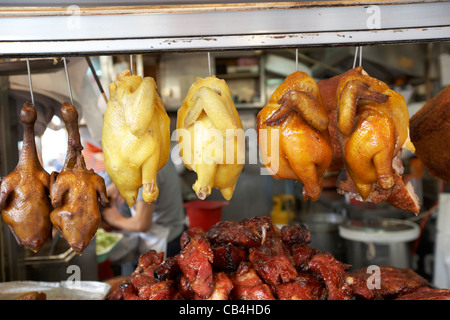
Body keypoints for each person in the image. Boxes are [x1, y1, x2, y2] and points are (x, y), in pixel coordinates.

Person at [99, 157, 187, 275]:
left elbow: (141, 223)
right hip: (175, 234)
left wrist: (114, 219)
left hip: (165, 243)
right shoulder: (158, 154)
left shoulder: (147, 169)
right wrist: (119, 185)